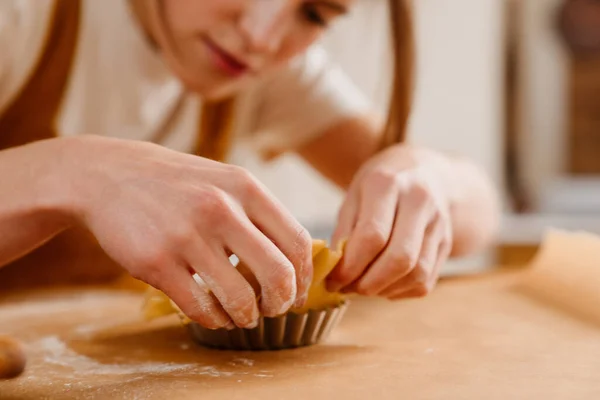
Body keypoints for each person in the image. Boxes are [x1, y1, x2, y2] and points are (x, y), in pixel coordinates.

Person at [0, 0, 500, 330]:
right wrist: (77, 171)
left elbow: (479, 211)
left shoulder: (264, 72)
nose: (261, 37)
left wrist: (429, 177)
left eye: (314, 14)